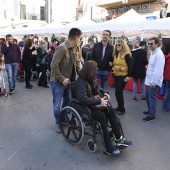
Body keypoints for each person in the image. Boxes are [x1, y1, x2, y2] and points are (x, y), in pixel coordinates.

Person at [76, 61, 133, 156]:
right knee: (102, 116)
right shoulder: (81, 82)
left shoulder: (91, 79)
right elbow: (82, 99)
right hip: (87, 107)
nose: (96, 71)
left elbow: (98, 89)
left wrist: (105, 93)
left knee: (111, 111)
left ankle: (119, 139)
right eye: (95, 70)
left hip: (95, 104)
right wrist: (99, 101)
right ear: (90, 71)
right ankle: (108, 146)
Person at [50, 28, 82, 132]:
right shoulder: (62, 48)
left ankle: (62, 118)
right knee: (57, 105)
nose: (80, 40)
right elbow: (53, 65)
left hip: (69, 81)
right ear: (76, 38)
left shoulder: (75, 47)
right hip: (58, 81)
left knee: (68, 101)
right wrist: (62, 79)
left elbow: (77, 62)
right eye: (80, 38)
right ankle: (58, 122)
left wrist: (82, 74)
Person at [143, 37, 165, 122]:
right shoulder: (153, 53)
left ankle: (152, 115)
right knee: (148, 97)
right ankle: (150, 111)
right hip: (149, 80)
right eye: (148, 44)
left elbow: (158, 70)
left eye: (151, 44)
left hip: (153, 82)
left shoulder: (159, 54)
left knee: (152, 99)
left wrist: (154, 82)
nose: (149, 45)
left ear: (157, 44)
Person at [112, 39, 132, 115]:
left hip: (123, 76)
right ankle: (119, 107)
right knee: (117, 92)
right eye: (116, 45)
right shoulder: (116, 54)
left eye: (119, 45)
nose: (117, 46)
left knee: (118, 92)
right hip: (116, 75)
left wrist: (128, 76)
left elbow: (130, 66)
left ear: (123, 46)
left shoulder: (126, 55)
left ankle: (122, 109)